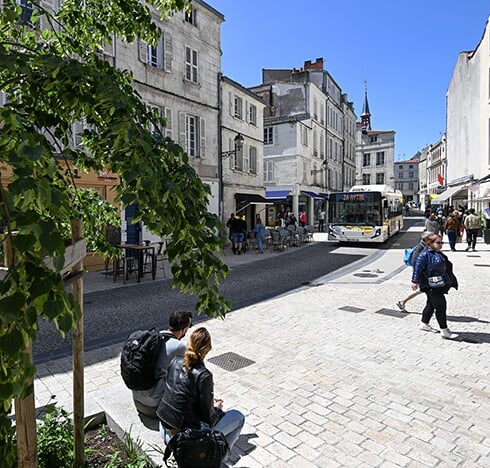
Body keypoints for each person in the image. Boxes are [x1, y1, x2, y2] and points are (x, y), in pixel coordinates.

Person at [157, 327, 245, 461]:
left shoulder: (175, 361)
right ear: (207, 349)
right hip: (186, 439)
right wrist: (217, 408)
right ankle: (218, 460)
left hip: (165, 428)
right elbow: (209, 419)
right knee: (238, 417)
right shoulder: (204, 375)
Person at [132, 310, 193, 418]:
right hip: (156, 408)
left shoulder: (151, 340)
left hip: (138, 402)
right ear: (184, 329)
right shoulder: (179, 346)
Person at [411, 233, 459, 339]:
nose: (441, 245)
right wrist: (415, 281)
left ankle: (424, 323)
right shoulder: (424, 255)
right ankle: (444, 330)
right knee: (441, 305)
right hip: (430, 285)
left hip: (438, 283)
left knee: (431, 304)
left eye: (442, 242)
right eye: (438, 242)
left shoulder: (438, 253)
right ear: (430, 243)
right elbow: (417, 268)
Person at [396, 231, 431, 311]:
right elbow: (415, 262)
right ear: (425, 239)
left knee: (425, 290)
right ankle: (431, 308)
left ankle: (402, 302)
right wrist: (416, 278)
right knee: (427, 290)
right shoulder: (420, 247)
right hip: (422, 274)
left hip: (424, 273)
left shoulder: (425, 246)